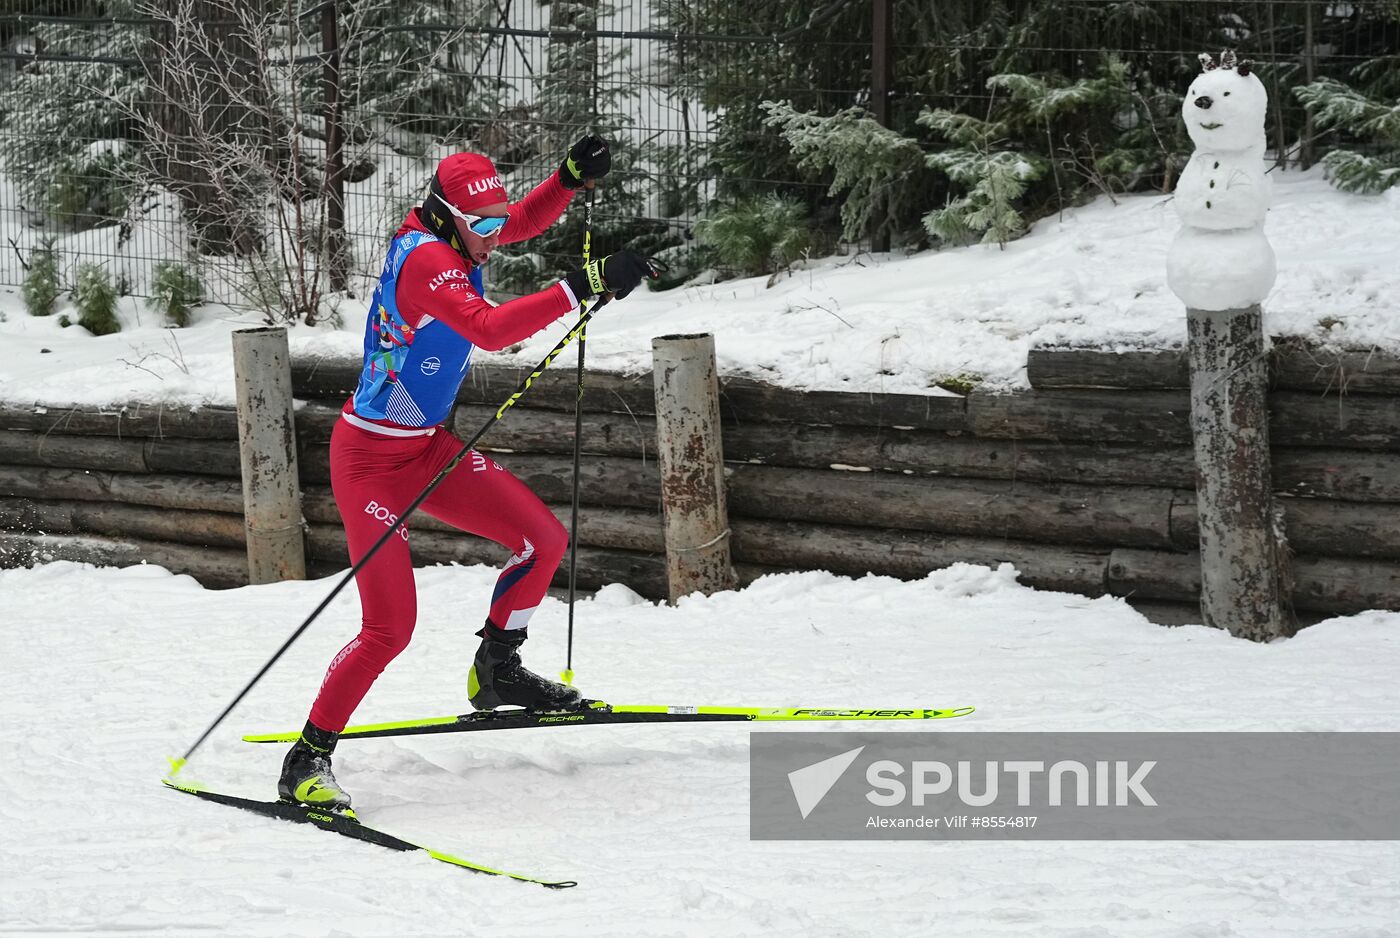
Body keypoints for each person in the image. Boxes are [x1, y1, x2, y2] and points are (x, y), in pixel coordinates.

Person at [278, 136, 656, 810]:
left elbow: (524, 220)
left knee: (544, 538)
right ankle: (307, 757)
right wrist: (584, 284)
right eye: (480, 227)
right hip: (369, 462)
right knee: (388, 630)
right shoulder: (427, 259)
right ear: (448, 214)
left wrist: (567, 179)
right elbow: (488, 329)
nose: (492, 238)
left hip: (425, 446)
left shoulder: (458, 230)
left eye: (491, 224)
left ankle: (499, 669)